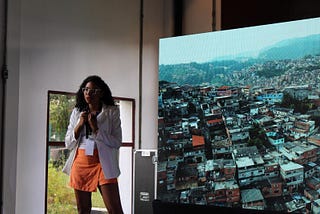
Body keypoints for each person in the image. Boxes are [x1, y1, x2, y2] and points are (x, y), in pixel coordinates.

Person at [62, 75, 124, 214]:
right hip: (81, 161)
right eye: (85, 90)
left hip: (104, 163)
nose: (88, 93)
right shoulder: (77, 111)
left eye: (93, 90)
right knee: (83, 210)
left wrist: (96, 129)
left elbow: (116, 142)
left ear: (101, 93)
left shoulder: (112, 112)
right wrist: (79, 124)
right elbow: (68, 143)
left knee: (115, 210)